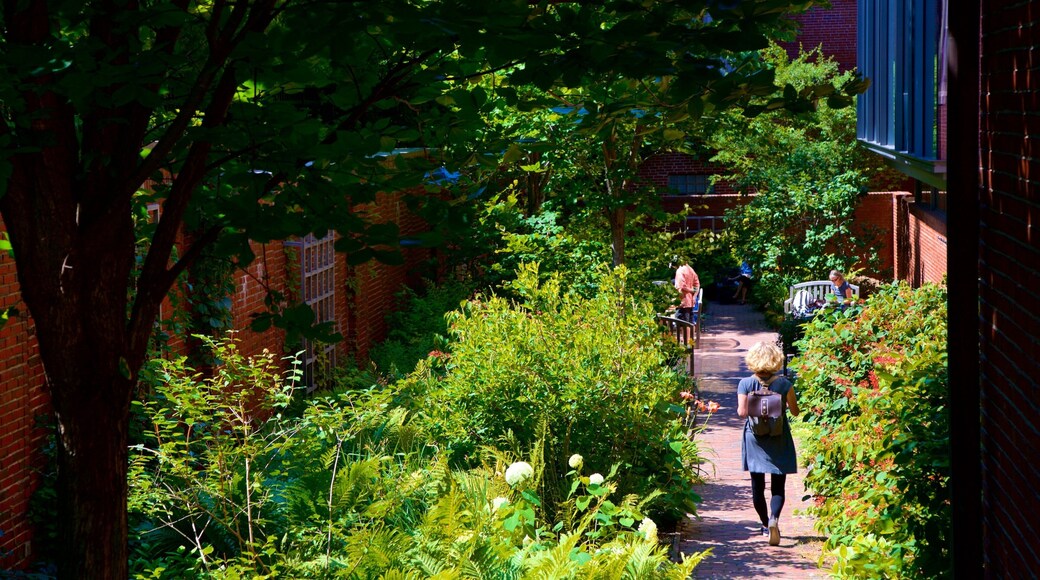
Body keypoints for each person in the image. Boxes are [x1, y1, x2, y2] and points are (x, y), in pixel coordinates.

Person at [736, 341, 800, 546]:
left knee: (757, 485)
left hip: (754, 438)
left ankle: (764, 525)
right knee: (778, 485)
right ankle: (774, 519)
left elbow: (742, 413)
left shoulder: (745, 383)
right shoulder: (784, 384)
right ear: (776, 360)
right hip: (779, 436)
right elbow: (795, 411)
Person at [673, 260, 700, 340]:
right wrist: (694, 296)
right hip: (690, 301)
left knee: (682, 324)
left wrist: (690, 291)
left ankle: (686, 345)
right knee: (689, 323)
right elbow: (697, 284)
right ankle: (690, 344)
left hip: (682, 301)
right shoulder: (690, 269)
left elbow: (680, 286)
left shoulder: (680, 270)